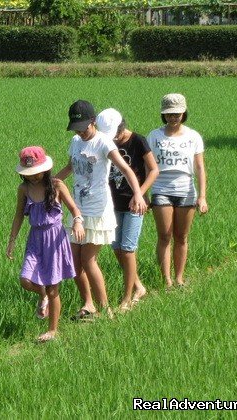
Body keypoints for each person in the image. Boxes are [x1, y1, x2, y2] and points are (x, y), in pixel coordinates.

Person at [55, 100, 148, 320]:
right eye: (76, 128)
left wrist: (138, 193)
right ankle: (88, 304)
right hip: (78, 209)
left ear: (93, 122)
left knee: (88, 259)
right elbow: (70, 167)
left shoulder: (104, 142)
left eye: (84, 127)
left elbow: (126, 169)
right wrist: (53, 181)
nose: (80, 132)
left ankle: (105, 309)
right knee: (74, 263)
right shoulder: (76, 142)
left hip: (98, 210)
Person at [6, 146, 85, 342]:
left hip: (55, 240)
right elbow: (18, 215)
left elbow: (75, 209)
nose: (33, 177)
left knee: (53, 288)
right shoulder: (23, 189)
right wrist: (12, 240)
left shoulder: (57, 186)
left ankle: (53, 330)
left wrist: (77, 222)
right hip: (35, 239)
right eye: (29, 174)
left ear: (45, 168)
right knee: (25, 280)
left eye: (36, 173)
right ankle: (42, 295)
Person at [96, 108, 158, 313]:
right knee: (116, 248)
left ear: (121, 126)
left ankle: (127, 297)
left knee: (128, 249)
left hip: (134, 203)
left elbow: (153, 169)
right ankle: (139, 287)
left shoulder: (138, 140)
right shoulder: (105, 141)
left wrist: (139, 194)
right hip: (112, 204)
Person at [147, 93, 208, 289]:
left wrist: (202, 196)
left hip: (186, 190)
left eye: (177, 114)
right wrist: (145, 194)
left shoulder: (193, 136)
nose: (173, 118)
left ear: (184, 113)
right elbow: (148, 167)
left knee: (181, 236)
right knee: (165, 235)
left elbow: (199, 167)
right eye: (169, 114)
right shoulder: (154, 136)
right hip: (161, 188)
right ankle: (166, 279)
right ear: (163, 115)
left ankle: (179, 277)